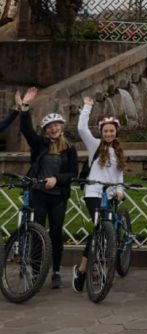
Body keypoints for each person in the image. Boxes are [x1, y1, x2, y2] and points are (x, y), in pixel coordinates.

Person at [16, 87, 78, 290]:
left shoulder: (69, 148)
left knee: (56, 233)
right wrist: (25, 107)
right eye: (50, 126)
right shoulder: (40, 144)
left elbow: (72, 174)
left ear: (61, 126)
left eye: (56, 125)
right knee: (36, 232)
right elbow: (26, 131)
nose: (53, 128)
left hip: (58, 196)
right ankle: (35, 272)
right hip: (39, 194)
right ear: (46, 129)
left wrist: (57, 179)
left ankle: (56, 271)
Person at [72, 96, 126, 293]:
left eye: (112, 131)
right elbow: (81, 129)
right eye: (106, 131)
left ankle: (100, 265)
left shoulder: (118, 151)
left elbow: (119, 174)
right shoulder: (95, 145)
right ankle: (83, 269)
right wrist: (87, 106)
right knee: (98, 229)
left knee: (106, 232)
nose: (109, 134)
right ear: (101, 132)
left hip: (110, 194)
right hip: (93, 192)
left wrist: (120, 191)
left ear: (116, 132)